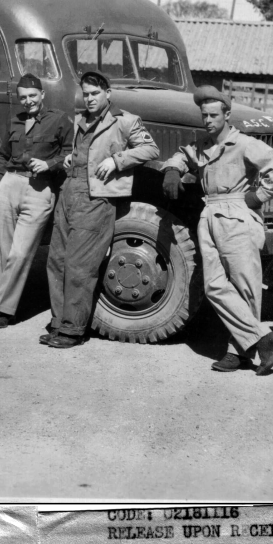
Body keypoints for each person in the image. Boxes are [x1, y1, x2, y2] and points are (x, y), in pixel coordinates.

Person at [162, 86, 273, 375]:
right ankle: (262, 338)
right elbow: (182, 155)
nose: (207, 120)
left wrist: (257, 197)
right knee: (214, 286)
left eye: (213, 115)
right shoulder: (203, 146)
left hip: (236, 216)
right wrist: (172, 169)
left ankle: (239, 352)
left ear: (227, 115)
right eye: (204, 115)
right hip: (209, 216)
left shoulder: (244, 144)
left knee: (245, 286)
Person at [42, 71, 159, 348]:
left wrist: (117, 161)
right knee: (57, 261)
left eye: (95, 93)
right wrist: (73, 156)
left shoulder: (125, 121)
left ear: (108, 93)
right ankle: (59, 323)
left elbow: (150, 149)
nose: (90, 98)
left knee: (79, 266)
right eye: (86, 93)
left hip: (97, 200)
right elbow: (85, 150)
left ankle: (73, 330)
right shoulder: (81, 120)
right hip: (69, 194)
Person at [0, 74, 71, 329]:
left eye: (32, 96)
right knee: (4, 252)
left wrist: (50, 164)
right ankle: (7, 312)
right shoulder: (15, 121)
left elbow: (71, 153)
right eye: (23, 97)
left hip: (40, 189)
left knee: (21, 253)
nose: (28, 101)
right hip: (10, 184)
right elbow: (2, 154)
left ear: (42, 95)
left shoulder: (59, 119)